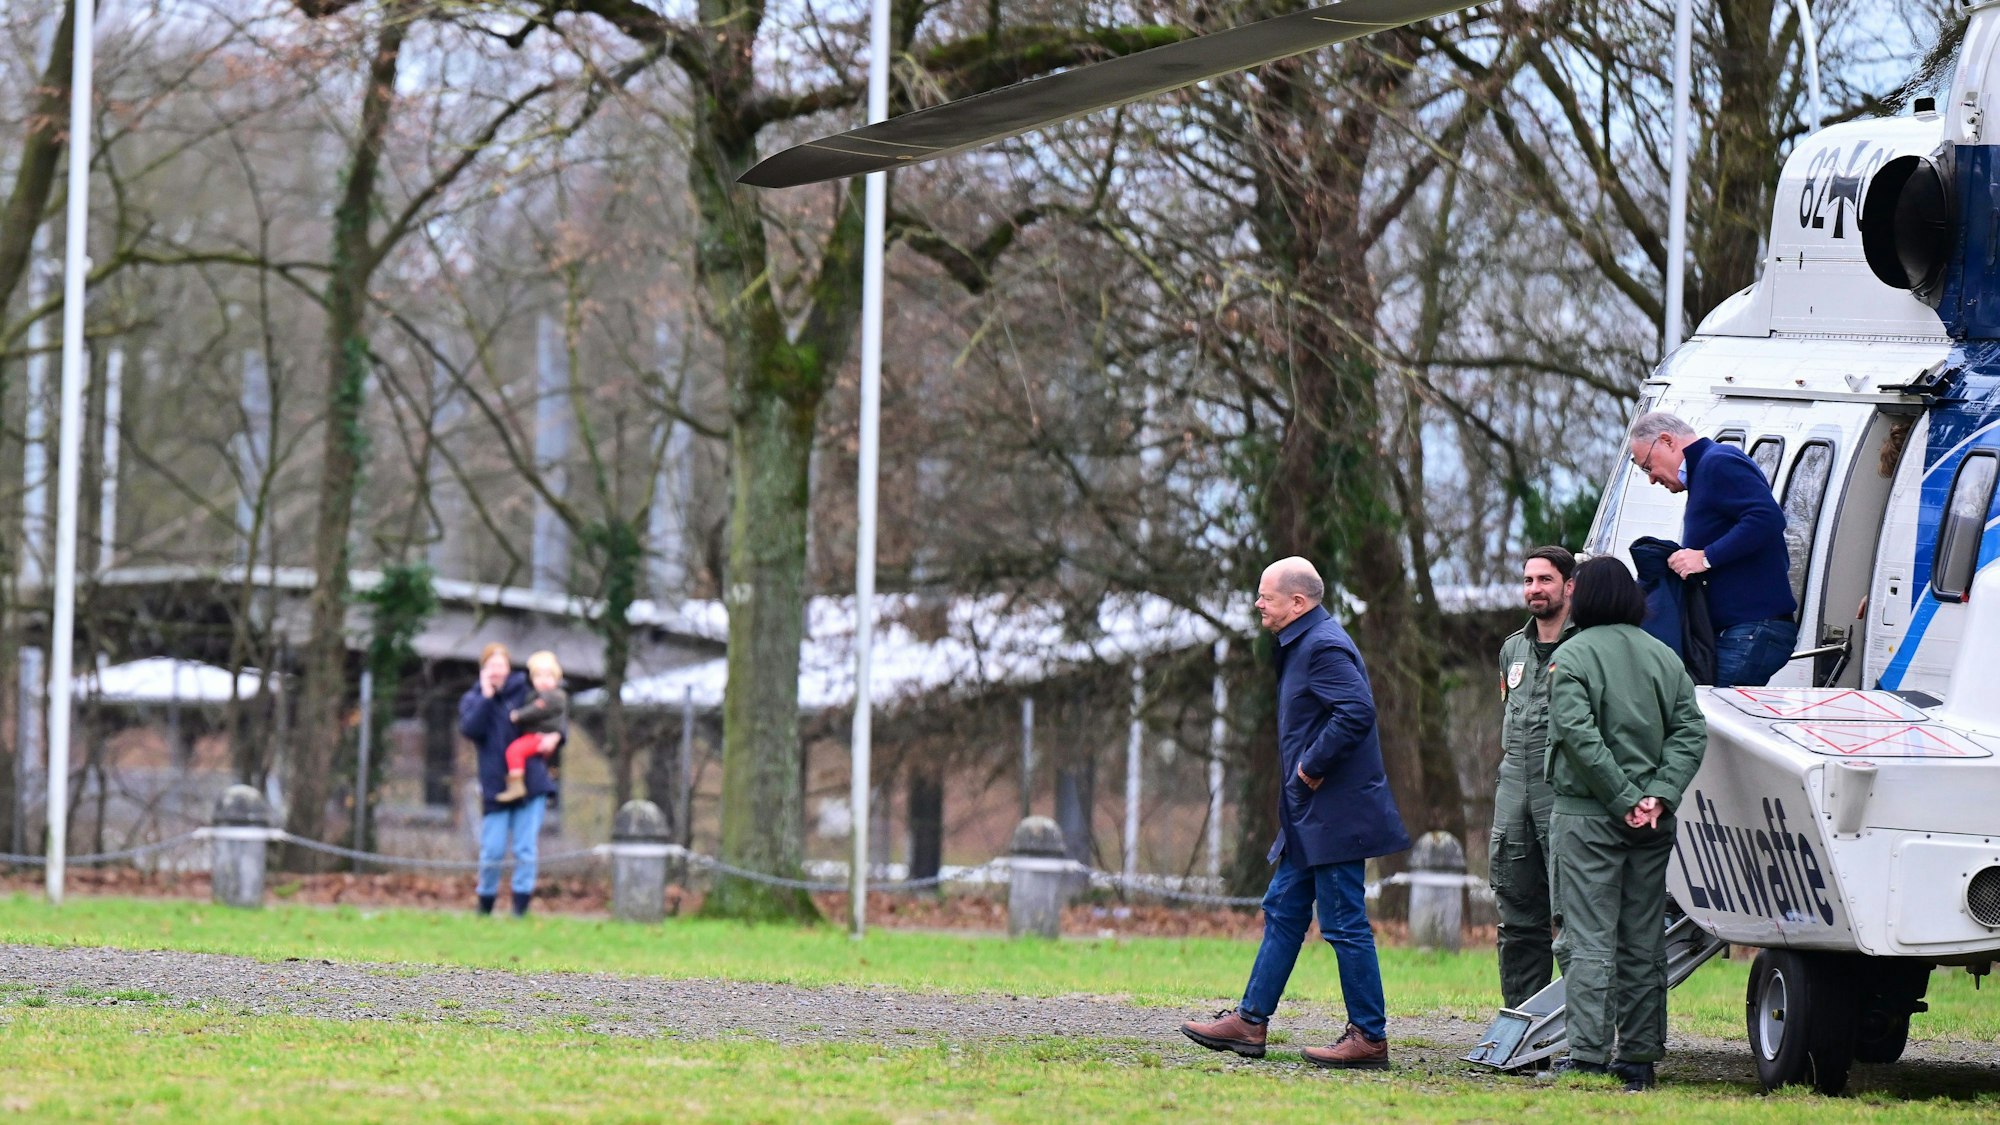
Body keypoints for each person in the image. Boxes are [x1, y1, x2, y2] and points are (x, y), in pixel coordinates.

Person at [1181, 556, 1411, 1069]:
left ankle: (1369, 1037)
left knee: (1344, 922)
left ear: (1299, 603)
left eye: (1266, 595)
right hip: (1312, 813)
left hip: (1334, 813)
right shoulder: (1304, 642)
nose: (1258, 603)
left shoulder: (1323, 645)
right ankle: (1250, 1021)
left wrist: (1310, 766)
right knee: (1284, 910)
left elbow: (1356, 710)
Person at [1544, 556, 1707, 1091]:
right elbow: (1690, 733)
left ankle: (1588, 1054)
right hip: (1653, 823)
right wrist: (1656, 797)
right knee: (1642, 938)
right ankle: (1638, 1056)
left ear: (1582, 598)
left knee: (1588, 937)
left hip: (1588, 817)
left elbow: (1577, 734)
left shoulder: (1572, 657)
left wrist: (1621, 797)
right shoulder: (1664, 657)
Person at [1627, 411, 1797, 686]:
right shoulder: (1706, 469)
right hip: (1742, 630)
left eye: (1647, 466)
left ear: (1667, 441)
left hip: (1749, 629)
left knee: (1697, 719)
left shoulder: (1717, 462)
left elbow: (1767, 517)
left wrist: (1706, 557)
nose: (1651, 478)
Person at [1491, 545, 1575, 1010]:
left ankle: (1580, 1033)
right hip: (1513, 798)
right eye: (1528, 581)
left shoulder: (1587, 646)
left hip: (1563, 798)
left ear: (1569, 586)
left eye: (1545, 580)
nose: (1534, 590)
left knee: (1573, 918)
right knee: (1518, 917)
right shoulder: (1512, 650)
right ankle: (1522, 1025)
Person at [458, 642, 561, 916]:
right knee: (491, 852)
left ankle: (520, 910)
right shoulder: (472, 700)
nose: (496, 671)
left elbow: (555, 709)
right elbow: (470, 729)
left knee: (525, 849)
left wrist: (557, 737)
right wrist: (487, 697)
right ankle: (485, 906)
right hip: (496, 787)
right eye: (491, 666)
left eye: (501, 665)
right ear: (483, 670)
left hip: (530, 783)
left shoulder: (525, 692)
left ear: (508, 668)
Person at [495, 651, 566, 803]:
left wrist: (518, 715)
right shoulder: (534, 694)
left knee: (514, 751)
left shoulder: (552, 696)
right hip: (535, 737)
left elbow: (536, 709)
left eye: (548, 676)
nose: (543, 681)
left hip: (537, 736)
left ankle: (516, 786)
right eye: (538, 676)